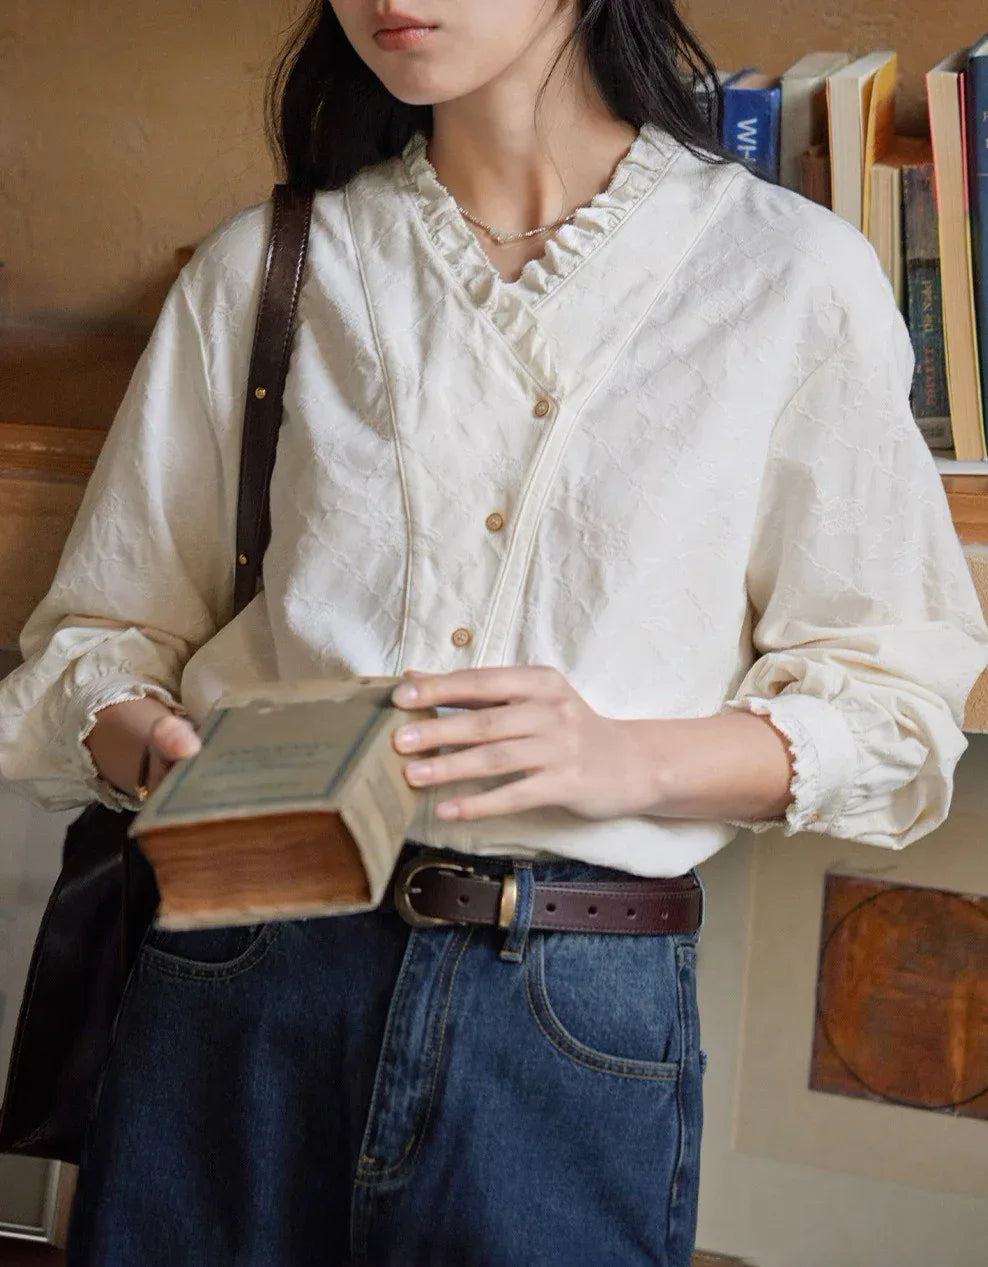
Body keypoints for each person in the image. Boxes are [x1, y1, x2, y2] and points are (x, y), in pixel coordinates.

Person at [2, 1, 986, 1263]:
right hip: (242, 972)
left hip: (571, 1015)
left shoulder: (787, 276)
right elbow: (102, 635)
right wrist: (157, 750)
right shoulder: (268, 268)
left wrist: (627, 757)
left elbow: (893, 699)